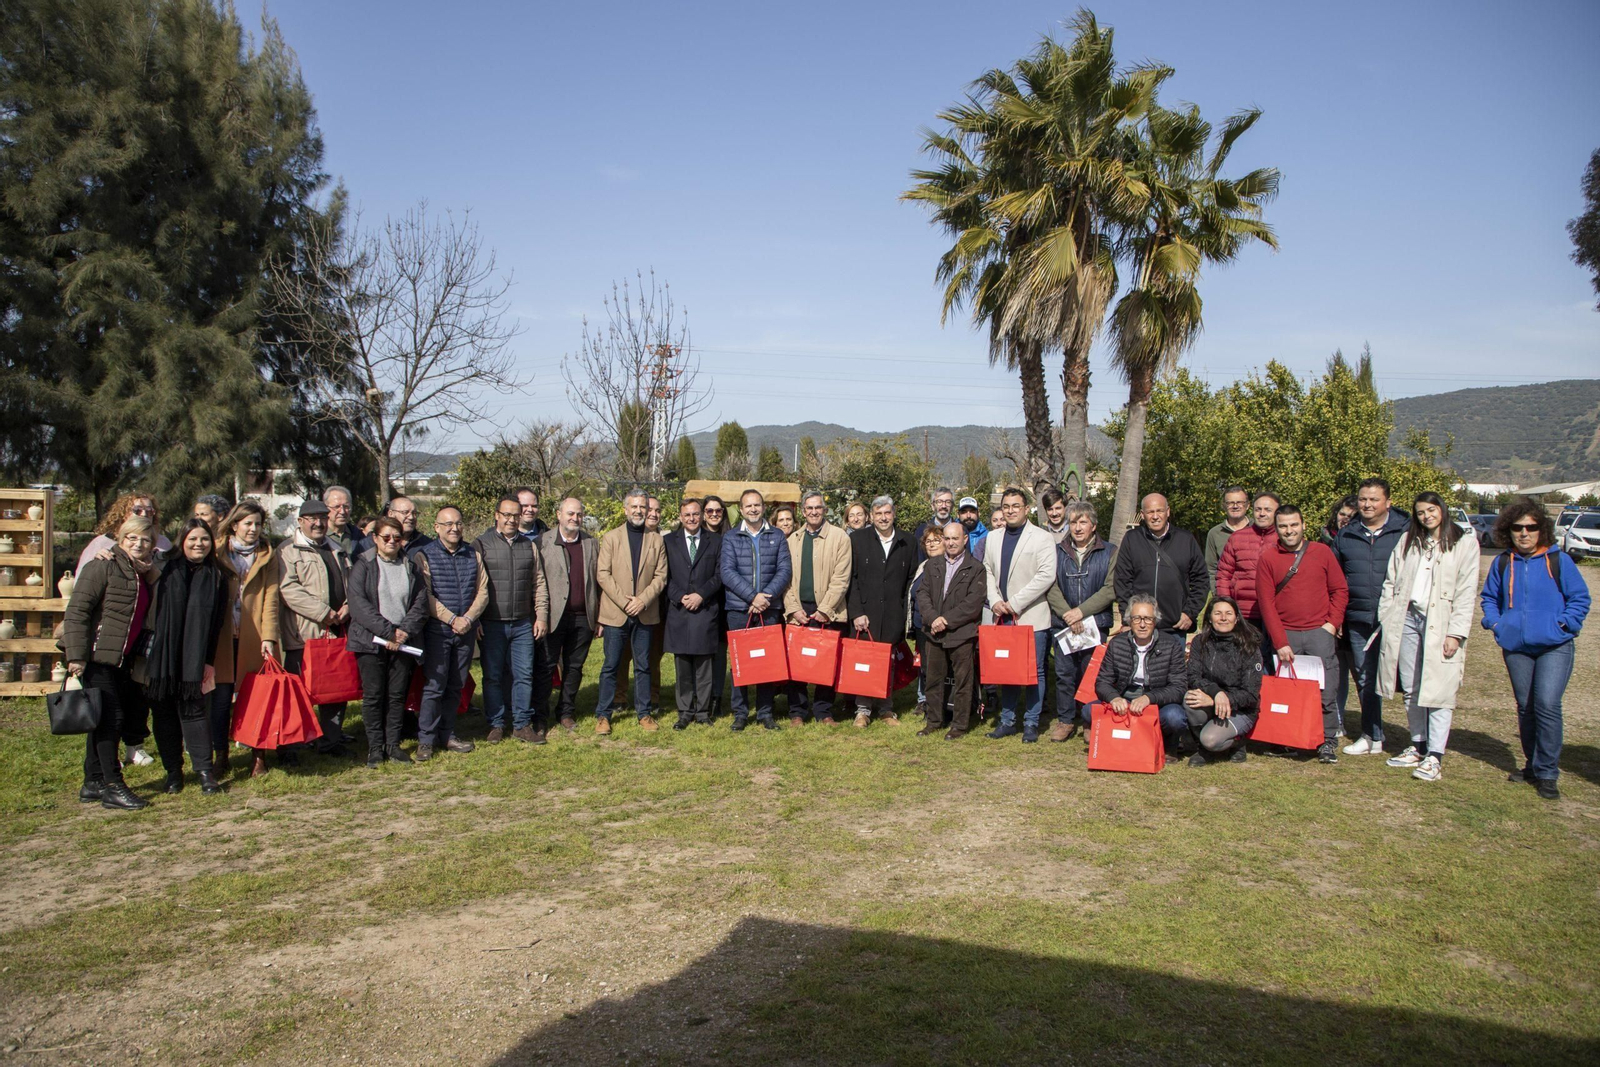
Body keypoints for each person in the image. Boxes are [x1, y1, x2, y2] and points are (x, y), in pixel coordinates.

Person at [1480, 499, 1591, 800]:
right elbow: (1489, 598)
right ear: (1509, 531)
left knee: (1547, 704)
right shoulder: (1503, 563)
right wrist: (1497, 624)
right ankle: (1532, 765)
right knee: (1526, 707)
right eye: (1518, 528)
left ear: (1541, 530)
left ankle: (1547, 772)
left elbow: (1580, 599)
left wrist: (1563, 625)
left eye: (1531, 527)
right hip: (1516, 647)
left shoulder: (1559, 561)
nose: (1525, 533)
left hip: (1555, 645)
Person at [1374, 493, 1480, 782]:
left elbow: (1466, 591)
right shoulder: (1409, 540)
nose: (1426, 516)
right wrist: (1387, 614)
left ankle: (1435, 754)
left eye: (1431, 510)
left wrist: (1456, 633)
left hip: (1440, 622)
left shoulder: (1464, 542)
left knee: (1439, 689)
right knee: (1411, 686)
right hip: (1407, 618)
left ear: (1441, 510)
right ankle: (1418, 744)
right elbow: (1391, 580)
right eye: (1420, 512)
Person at [63, 515, 160, 809]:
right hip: (96, 656)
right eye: (132, 537)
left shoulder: (141, 572)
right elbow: (77, 611)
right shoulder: (102, 566)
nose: (138, 544)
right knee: (111, 719)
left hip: (122, 658)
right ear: (120, 539)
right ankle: (113, 786)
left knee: (101, 718)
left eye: (145, 539)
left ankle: (92, 782)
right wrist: (77, 657)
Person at [1256, 504, 1350, 764]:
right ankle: (1290, 738)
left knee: (1326, 690)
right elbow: (1266, 604)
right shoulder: (1268, 558)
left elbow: (1340, 590)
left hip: (1319, 632)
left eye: (1294, 525)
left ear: (1303, 525)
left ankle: (1328, 740)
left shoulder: (1322, 553)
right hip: (1286, 634)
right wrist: (1280, 641)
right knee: (1289, 692)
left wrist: (1332, 624)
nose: (1289, 530)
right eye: (1283, 526)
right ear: (1277, 529)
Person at [144, 519, 229, 794]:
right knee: (164, 713)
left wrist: (208, 661)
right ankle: (173, 772)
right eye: (193, 538)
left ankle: (204, 771)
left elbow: (216, 624)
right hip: (162, 654)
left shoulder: (217, 576)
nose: (198, 544)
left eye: (204, 539)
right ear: (182, 540)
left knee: (195, 712)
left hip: (195, 655)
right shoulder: (163, 567)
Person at [1331, 478, 1409, 756]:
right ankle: (1372, 735)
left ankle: (1422, 743)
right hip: (1359, 618)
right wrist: (1337, 617)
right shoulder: (1347, 535)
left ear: (1387, 502)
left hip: (1400, 618)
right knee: (1365, 678)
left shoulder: (1406, 531)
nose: (1367, 504)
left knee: (1411, 680)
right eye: (1363, 499)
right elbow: (1335, 581)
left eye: (1374, 499)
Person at [347, 517, 429, 767]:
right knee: (374, 695)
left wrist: (403, 632)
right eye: (386, 537)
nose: (392, 542)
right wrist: (387, 632)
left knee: (396, 696)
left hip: (402, 643)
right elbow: (358, 603)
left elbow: (420, 602)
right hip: (371, 641)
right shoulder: (363, 564)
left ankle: (392, 745)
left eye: (397, 537)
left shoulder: (409, 565)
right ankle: (374, 748)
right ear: (375, 538)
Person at [276, 499, 354, 757]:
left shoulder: (336, 549)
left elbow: (351, 583)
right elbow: (288, 590)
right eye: (312, 519)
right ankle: (293, 745)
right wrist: (323, 613)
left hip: (336, 632)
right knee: (298, 693)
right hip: (304, 634)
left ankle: (330, 741)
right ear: (300, 522)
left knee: (336, 688)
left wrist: (347, 606)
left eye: (322, 517)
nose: (318, 523)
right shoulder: (287, 550)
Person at [413, 506, 488, 760]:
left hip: (465, 630)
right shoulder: (425, 556)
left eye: (458, 523)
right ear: (436, 527)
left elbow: (483, 591)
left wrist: (467, 619)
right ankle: (426, 740)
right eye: (447, 524)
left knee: (456, 684)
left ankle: (447, 733)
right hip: (438, 630)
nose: (454, 528)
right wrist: (451, 619)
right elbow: (426, 595)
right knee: (435, 685)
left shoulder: (473, 554)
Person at [981, 487, 1057, 742]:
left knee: (1034, 671)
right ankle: (1007, 720)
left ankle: (1032, 722)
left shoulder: (1042, 537)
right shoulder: (992, 537)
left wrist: (1014, 603)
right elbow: (987, 571)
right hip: (1002, 615)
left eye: (1016, 506)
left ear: (1026, 509)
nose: (1010, 510)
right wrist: (995, 601)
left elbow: (1046, 575)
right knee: (1007, 671)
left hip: (1031, 615)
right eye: (1006, 506)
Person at [214, 501, 281, 778]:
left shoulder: (267, 555)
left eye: (257, 524)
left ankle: (258, 756)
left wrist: (269, 637)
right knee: (219, 701)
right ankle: (221, 755)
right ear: (234, 525)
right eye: (248, 523)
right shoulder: (217, 551)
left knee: (257, 699)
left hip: (254, 635)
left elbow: (271, 599)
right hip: (222, 637)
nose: (253, 529)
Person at [594, 489, 668, 734]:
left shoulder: (656, 540)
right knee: (611, 665)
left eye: (642, 507)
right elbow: (602, 574)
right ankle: (603, 716)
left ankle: (644, 713)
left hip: (645, 613)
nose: (638, 511)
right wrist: (625, 602)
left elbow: (661, 576)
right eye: (634, 506)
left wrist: (643, 600)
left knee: (644, 665)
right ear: (625, 509)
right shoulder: (611, 538)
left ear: (648, 510)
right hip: (616, 613)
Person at [475, 497, 548, 743]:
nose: (511, 519)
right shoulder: (481, 545)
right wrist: (475, 620)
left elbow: (539, 583)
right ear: (496, 515)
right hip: (491, 623)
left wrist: (541, 616)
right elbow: (473, 586)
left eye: (515, 515)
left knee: (524, 674)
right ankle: (496, 724)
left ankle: (521, 724)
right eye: (506, 515)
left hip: (522, 623)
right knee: (493, 675)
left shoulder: (529, 546)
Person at [1043, 501, 1116, 741]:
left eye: (1083, 522)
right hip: (1064, 624)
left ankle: (1089, 719)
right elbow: (1051, 586)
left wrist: (1082, 612)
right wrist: (1067, 613)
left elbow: (1110, 588)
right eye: (1073, 522)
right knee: (1065, 674)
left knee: (1092, 675)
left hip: (1095, 624)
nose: (1077, 527)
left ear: (1093, 526)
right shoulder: (1057, 551)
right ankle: (1065, 720)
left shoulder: (1110, 552)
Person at [719, 488, 791, 731]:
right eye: (748, 506)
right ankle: (740, 713)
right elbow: (727, 572)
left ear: (763, 507)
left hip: (769, 608)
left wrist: (765, 598)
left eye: (757, 505)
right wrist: (752, 597)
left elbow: (784, 571)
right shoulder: (730, 537)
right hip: (739, 608)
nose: (753, 509)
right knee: (741, 663)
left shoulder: (777, 536)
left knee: (767, 662)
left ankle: (765, 712)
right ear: (741, 509)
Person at [1093, 594, 1191, 761]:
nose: (1143, 624)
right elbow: (1102, 682)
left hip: (1157, 701)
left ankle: (1168, 743)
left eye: (1148, 619)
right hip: (1125, 698)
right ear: (1129, 621)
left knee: (1175, 718)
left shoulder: (1171, 645)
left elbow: (1179, 687)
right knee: (1089, 711)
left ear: (1156, 621)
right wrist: (1114, 698)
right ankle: (1114, 740)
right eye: (1137, 618)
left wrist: (1149, 698)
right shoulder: (1117, 643)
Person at [784, 491, 852, 725]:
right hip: (799, 611)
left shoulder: (840, 537)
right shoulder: (793, 539)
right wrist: (793, 608)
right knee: (797, 664)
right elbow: (786, 579)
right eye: (809, 508)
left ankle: (824, 711)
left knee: (827, 662)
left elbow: (841, 577)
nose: (813, 512)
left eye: (818, 508)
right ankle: (797, 712)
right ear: (803, 511)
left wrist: (825, 609)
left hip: (828, 610)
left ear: (825, 510)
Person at [847, 495, 915, 728]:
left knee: (889, 662)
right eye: (878, 514)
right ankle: (863, 710)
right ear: (871, 517)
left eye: (887, 513)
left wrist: (905, 613)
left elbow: (911, 581)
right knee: (865, 662)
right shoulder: (857, 539)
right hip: (866, 612)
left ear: (893, 514)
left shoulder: (908, 541)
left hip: (893, 612)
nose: (883, 518)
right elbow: (851, 579)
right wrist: (856, 612)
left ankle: (886, 708)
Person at [914, 522, 986, 738]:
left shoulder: (975, 568)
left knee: (963, 681)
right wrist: (933, 618)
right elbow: (923, 593)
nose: (951, 542)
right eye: (947, 538)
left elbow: (973, 603)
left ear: (965, 539)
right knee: (933, 679)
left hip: (961, 634)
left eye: (955, 538)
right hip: (933, 633)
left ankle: (959, 725)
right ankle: (934, 721)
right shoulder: (932, 565)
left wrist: (946, 620)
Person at [537, 497, 600, 731]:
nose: (575, 519)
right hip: (553, 617)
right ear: (558, 515)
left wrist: (599, 615)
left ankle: (565, 712)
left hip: (583, 616)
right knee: (545, 666)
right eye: (570, 514)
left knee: (574, 667)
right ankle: (540, 715)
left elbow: (597, 580)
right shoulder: (543, 542)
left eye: (579, 515)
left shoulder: (591, 543)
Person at [1113, 493, 1209, 646]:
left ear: (1168, 512)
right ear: (1143, 515)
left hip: (1174, 627)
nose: (1156, 516)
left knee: (1173, 669)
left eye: (1160, 511)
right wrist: (1128, 617)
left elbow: (1201, 580)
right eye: (1150, 512)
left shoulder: (1186, 540)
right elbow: (1122, 581)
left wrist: (1189, 612)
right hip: (1140, 627)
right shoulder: (1132, 539)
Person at [1181, 597, 1265, 765]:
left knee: (1211, 740)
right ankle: (1203, 750)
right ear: (1210, 619)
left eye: (1228, 613)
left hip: (1241, 709)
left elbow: (1250, 693)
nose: (1223, 618)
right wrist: (1215, 693)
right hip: (1212, 699)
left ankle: (1236, 743)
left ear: (1236, 618)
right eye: (1218, 613)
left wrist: (1218, 699)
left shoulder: (1249, 645)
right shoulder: (1200, 642)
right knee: (1189, 698)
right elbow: (1193, 675)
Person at [663, 498, 723, 728]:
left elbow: (719, 575)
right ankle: (685, 711)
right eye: (687, 515)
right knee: (683, 667)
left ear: (702, 515)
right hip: (679, 610)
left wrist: (701, 594)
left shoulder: (715, 541)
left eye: (696, 514)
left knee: (704, 667)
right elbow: (663, 575)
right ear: (680, 517)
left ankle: (703, 712)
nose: (691, 518)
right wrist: (679, 596)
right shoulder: (668, 541)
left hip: (705, 610)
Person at [1214, 491, 1281, 661]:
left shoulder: (1283, 538)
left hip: (1276, 612)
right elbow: (1223, 575)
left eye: (1267, 509)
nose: (1262, 513)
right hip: (1245, 612)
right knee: (1244, 660)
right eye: (1258, 509)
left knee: (1274, 661)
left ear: (1277, 512)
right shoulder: (1238, 538)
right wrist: (1227, 606)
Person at [908, 525, 950, 720]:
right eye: (928, 541)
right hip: (921, 625)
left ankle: (938, 709)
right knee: (925, 668)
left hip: (938, 625)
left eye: (936, 540)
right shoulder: (923, 565)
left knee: (937, 670)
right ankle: (927, 703)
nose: (931, 544)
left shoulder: (948, 565)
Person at [77, 492, 172, 575]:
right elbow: (82, 582)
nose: (144, 514)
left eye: (149, 511)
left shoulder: (163, 543)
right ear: (123, 514)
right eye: (137, 510)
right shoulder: (102, 543)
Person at [699, 495, 730, 716]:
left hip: (724, 603)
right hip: (701, 601)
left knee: (720, 652)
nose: (714, 515)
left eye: (718, 511)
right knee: (702, 653)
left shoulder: (731, 537)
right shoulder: (696, 537)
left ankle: (717, 697)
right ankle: (701, 694)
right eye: (709, 511)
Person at [351, 497, 433, 559]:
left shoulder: (427, 544)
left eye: (414, 513)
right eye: (405, 512)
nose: (411, 517)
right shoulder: (368, 544)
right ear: (390, 514)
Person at [1204, 486, 1252, 584]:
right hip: (1226, 594)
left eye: (1239, 502)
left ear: (1247, 505)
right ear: (1224, 506)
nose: (1235, 506)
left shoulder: (1258, 529)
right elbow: (1211, 570)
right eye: (1230, 503)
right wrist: (1217, 595)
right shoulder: (1215, 533)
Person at [913, 487, 957, 561]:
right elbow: (918, 560)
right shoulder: (921, 531)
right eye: (939, 502)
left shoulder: (960, 530)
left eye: (948, 502)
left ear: (952, 506)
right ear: (933, 506)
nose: (943, 506)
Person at [323, 485, 356, 555]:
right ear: (326, 508)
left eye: (346, 507)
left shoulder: (358, 537)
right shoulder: (320, 536)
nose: (342, 512)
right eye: (337, 507)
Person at [957, 497, 988, 561]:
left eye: (972, 511)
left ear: (978, 513)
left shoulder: (987, 536)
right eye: (964, 512)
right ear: (958, 515)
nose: (968, 516)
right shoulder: (949, 534)